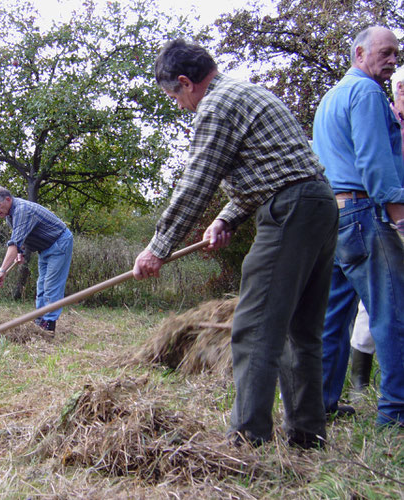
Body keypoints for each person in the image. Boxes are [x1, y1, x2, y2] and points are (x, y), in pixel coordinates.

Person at [133, 38, 338, 449]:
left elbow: (197, 182)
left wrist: (158, 247)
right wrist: (227, 217)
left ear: (187, 82)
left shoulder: (216, 105)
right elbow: (269, 167)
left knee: (254, 327)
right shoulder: (246, 92)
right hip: (318, 204)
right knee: (303, 331)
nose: (179, 104)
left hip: (290, 212)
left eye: (174, 95)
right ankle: (306, 434)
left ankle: (247, 439)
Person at [312, 26, 404, 427]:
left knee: (334, 316)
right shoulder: (367, 93)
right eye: (385, 53)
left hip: (333, 217)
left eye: (396, 55)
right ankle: (396, 413)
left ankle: (322, 403)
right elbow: (374, 163)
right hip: (365, 215)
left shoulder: (330, 98)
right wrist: (399, 217)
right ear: (359, 53)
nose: (392, 61)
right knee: (393, 313)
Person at [0, 186, 73, 333]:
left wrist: (2, 271)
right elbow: (23, 238)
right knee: (41, 285)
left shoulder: (22, 210)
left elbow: (13, 244)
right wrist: (22, 252)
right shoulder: (10, 216)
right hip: (44, 247)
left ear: (8, 199)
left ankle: (48, 325)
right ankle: (39, 318)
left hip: (59, 242)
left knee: (51, 285)